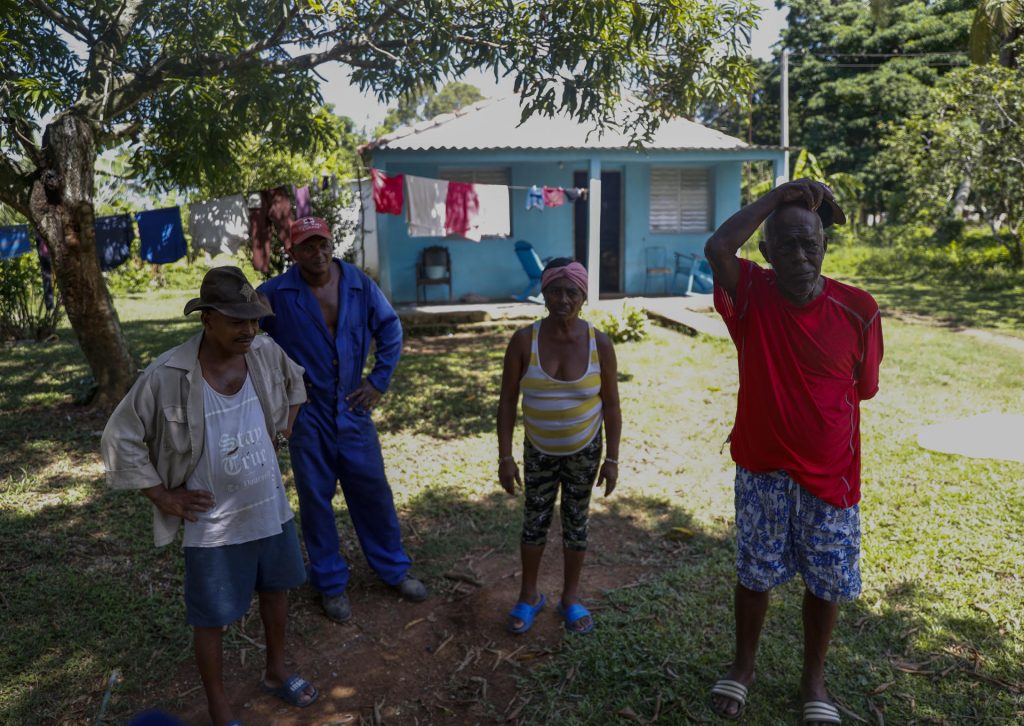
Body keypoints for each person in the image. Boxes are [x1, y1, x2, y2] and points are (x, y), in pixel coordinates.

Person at [101, 267, 318, 726]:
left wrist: (286, 424)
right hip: (213, 522)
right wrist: (162, 495)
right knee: (210, 618)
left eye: (254, 319)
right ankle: (220, 708)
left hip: (269, 505)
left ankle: (277, 672)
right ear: (207, 320)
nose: (249, 329)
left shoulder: (262, 351)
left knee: (276, 590)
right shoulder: (169, 375)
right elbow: (120, 437)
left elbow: (296, 381)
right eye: (238, 320)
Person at [703, 179, 883, 724]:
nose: (801, 258)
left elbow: (863, 387)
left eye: (812, 245)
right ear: (766, 251)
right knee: (754, 574)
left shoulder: (859, 310)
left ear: (825, 247)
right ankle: (743, 667)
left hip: (831, 476)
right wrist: (777, 196)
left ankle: (814, 680)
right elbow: (717, 248)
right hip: (762, 469)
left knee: (825, 582)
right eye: (786, 246)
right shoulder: (750, 294)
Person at [258, 216, 426, 624]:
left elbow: (390, 329)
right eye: (307, 247)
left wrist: (378, 382)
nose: (317, 253)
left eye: (323, 244)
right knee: (316, 499)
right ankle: (331, 584)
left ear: (332, 244)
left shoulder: (358, 284)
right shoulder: (276, 293)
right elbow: (248, 336)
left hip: (353, 407)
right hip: (308, 413)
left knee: (372, 491)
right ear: (292, 252)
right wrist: (278, 391)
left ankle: (393, 569)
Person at [496, 258, 622, 635]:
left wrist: (612, 459)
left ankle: (570, 599)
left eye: (571, 291)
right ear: (544, 293)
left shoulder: (600, 344)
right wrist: (505, 457)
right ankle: (529, 596)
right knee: (534, 522)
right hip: (538, 449)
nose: (562, 299)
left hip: (585, 450)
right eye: (554, 290)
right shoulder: (524, 341)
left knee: (575, 523)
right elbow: (506, 402)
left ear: (584, 296)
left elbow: (612, 406)